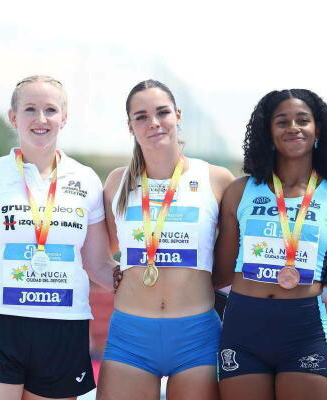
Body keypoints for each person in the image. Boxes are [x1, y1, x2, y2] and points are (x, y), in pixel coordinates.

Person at [0, 75, 115, 400]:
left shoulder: (86, 180)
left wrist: (154, 281)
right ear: (13, 117)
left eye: (50, 109)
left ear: (64, 117)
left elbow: (98, 265)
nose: (41, 119)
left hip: (63, 327)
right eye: (30, 109)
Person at [212, 89, 327, 400]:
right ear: (268, 133)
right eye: (282, 121)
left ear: (318, 131)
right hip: (242, 333)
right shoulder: (240, 191)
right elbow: (218, 275)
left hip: (305, 334)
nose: (293, 127)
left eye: (303, 120)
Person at [96, 80, 234, 400]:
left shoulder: (216, 178)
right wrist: (114, 274)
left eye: (162, 112)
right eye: (141, 116)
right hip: (131, 336)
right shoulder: (116, 182)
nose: (153, 123)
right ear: (130, 126)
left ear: (178, 115)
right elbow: (108, 250)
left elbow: (241, 250)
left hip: (196, 335)